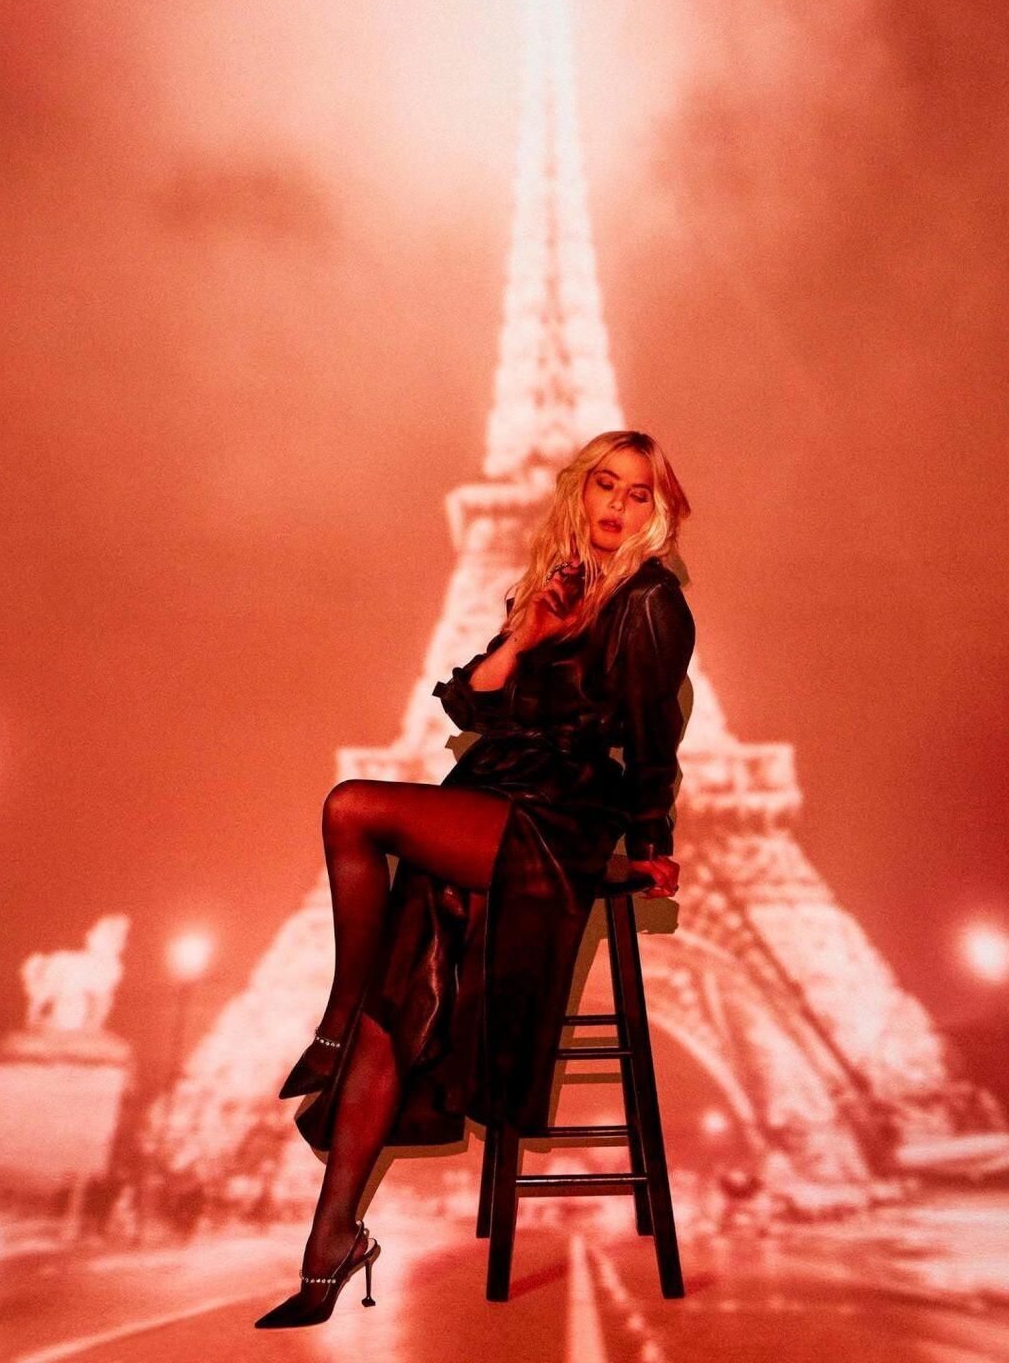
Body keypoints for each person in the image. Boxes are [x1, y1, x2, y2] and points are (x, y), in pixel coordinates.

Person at [253, 430, 696, 1327]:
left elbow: (654, 741)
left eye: (638, 493)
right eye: (605, 485)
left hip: (556, 818)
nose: (616, 505)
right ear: (580, 492)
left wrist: (651, 838)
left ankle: (331, 1026)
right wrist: (526, 635)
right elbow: (467, 700)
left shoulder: (651, 603)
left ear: (657, 512)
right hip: (487, 799)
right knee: (394, 1015)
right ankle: (329, 1247)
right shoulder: (553, 588)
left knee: (351, 807)